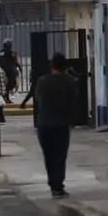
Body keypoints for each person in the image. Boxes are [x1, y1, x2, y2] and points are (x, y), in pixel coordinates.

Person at [35, 52, 78, 199]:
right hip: (62, 123)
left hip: (44, 124)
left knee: (49, 155)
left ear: (51, 65)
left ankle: (53, 183)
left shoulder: (42, 81)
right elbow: (74, 100)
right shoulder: (70, 81)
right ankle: (58, 185)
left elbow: (38, 97)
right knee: (60, 156)